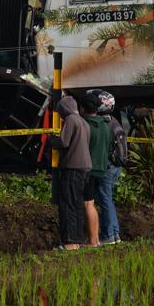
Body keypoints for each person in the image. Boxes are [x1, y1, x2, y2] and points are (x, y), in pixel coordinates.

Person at [51, 95, 91, 250]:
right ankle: (78, 240)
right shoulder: (83, 122)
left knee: (67, 205)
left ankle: (69, 242)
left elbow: (63, 142)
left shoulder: (70, 120)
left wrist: (51, 140)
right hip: (85, 168)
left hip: (72, 168)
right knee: (77, 205)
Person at [89, 89, 125, 244]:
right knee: (108, 199)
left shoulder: (104, 123)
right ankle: (115, 234)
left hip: (108, 167)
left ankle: (109, 236)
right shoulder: (114, 121)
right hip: (117, 166)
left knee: (105, 200)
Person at [80, 94, 106, 248]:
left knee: (88, 204)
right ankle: (95, 239)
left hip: (88, 169)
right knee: (92, 203)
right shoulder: (104, 124)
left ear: (82, 108)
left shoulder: (85, 125)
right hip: (101, 168)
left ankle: (93, 240)